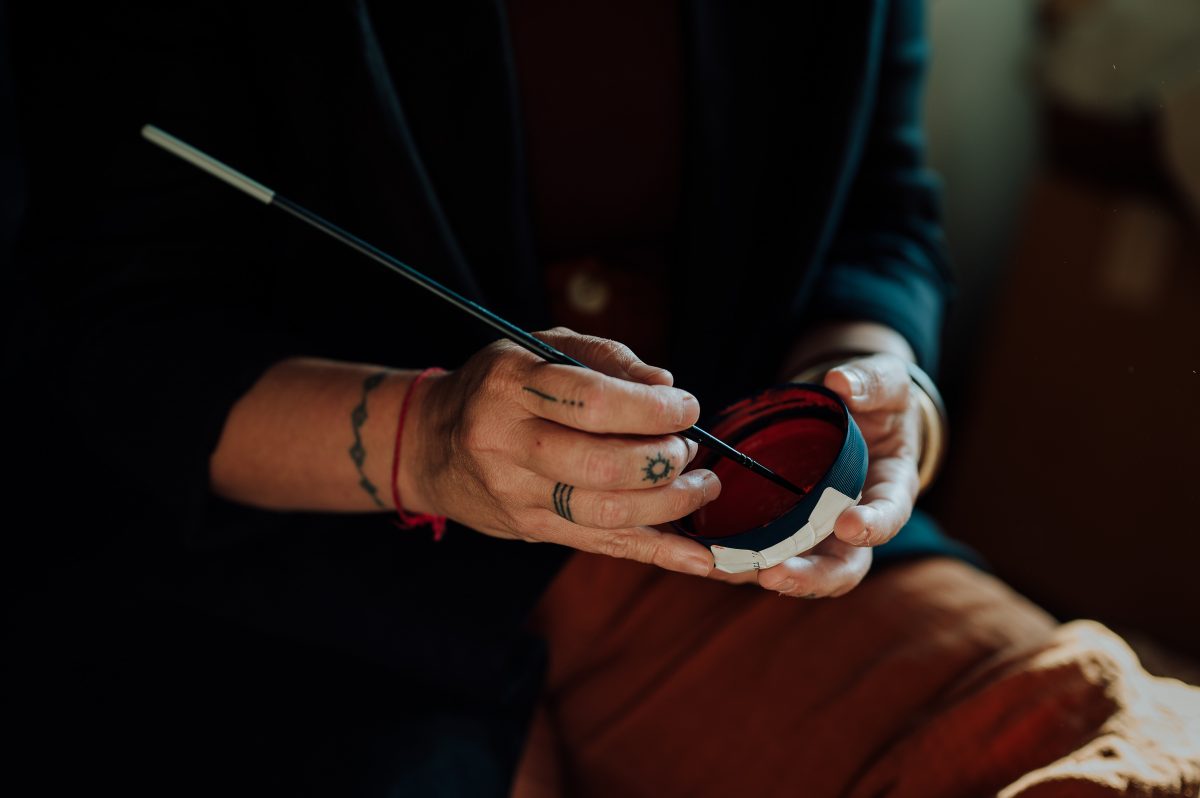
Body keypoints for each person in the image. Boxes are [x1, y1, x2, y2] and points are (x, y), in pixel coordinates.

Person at [5, 2, 1198, 796]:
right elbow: (106, 338)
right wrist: (430, 442)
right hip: (300, 571)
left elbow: (880, 204)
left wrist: (884, 389)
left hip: (739, 526)